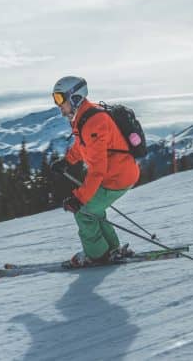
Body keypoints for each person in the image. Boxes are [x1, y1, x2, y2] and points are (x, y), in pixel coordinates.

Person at [50, 76, 140, 267]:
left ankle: (97, 255)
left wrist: (80, 199)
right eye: (55, 99)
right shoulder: (84, 118)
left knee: (84, 212)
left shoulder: (94, 122)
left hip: (117, 177)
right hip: (115, 174)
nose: (58, 105)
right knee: (95, 210)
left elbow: (97, 170)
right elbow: (82, 147)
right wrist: (67, 161)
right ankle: (111, 248)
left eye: (60, 99)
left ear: (74, 97)